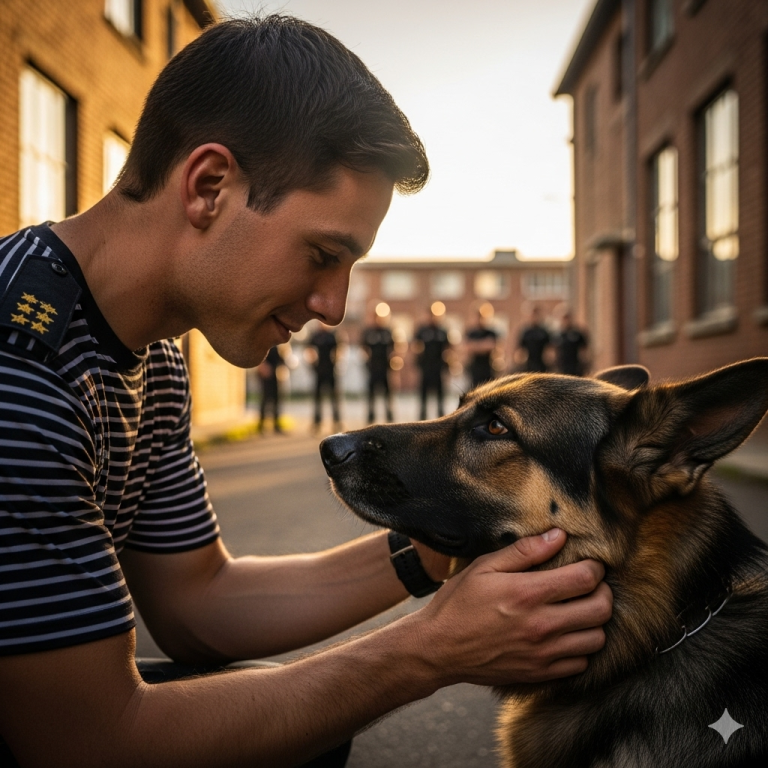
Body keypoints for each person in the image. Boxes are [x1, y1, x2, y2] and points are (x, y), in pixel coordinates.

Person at [0, 16, 612, 768]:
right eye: (324, 254)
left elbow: (200, 602)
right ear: (210, 186)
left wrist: (432, 551)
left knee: (293, 722)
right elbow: (85, 741)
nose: (333, 305)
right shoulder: (19, 372)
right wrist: (429, 650)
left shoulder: (148, 353)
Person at [413, 309, 450, 420]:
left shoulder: (442, 331)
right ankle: (422, 414)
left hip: (438, 366)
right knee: (424, 392)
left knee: (440, 392)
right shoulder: (422, 331)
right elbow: (416, 347)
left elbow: (448, 349)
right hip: (426, 366)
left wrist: (449, 364)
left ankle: (441, 414)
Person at [308, 322, 342, 433]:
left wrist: (337, 363)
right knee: (318, 398)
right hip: (319, 371)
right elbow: (309, 351)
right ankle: (317, 422)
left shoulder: (333, 336)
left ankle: (336, 422)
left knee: (334, 398)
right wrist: (313, 364)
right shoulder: (315, 336)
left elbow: (339, 350)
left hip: (331, 371)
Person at [361, 311, 394, 423]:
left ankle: (389, 416)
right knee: (371, 394)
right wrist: (366, 357)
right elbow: (363, 347)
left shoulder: (388, 332)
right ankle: (371, 416)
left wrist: (394, 360)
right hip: (373, 367)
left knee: (387, 394)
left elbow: (395, 347)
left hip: (385, 368)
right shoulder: (368, 332)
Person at [465, 307, 499, 388]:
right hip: (475, 368)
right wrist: (483, 345)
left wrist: (475, 346)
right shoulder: (471, 333)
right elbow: (467, 348)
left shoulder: (491, 332)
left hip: (488, 367)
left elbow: (491, 346)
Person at [257, 345, 287, 433]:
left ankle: (276, 425)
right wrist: (262, 366)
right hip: (266, 375)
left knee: (276, 400)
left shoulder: (278, 345)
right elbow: (259, 356)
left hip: (275, 375)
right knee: (265, 400)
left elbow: (281, 360)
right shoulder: (265, 342)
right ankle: (261, 425)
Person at [554, 311, 590, 377]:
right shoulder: (557, 334)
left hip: (575, 366)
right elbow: (552, 351)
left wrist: (585, 362)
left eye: (567, 318)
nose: (565, 320)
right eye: (563, 318)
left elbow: (584, 349)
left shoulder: (577, 333)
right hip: (562, 367)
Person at [517, 305, 551, 373]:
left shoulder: (544, 332)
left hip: (542, 365)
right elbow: (520, 350)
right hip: (528, 365)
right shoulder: (526, 332)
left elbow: (550, 349)